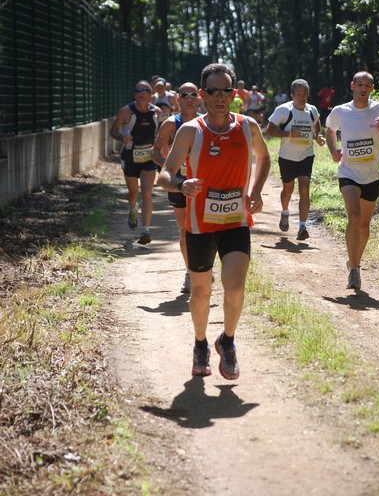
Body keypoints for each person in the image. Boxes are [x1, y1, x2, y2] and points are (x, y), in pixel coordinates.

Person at [158, 63, 270, 380]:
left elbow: (264, 157)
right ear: (203, 95)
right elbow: (165, 174)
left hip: (236, 222)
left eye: (225, 90)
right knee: (201, 291)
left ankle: (228, 341)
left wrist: (256, 191)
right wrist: (181, 185)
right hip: (199, 226)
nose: (219, 97)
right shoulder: (190, 130)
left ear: (234, 94)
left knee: (234, 287)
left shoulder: (248, 127)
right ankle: (200, 343)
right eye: (212, 91)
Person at [325, 71, 379, 289]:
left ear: (372, 88)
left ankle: (355, 260)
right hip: (348, 172)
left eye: (367, 85)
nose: (363, 89)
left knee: (364, 226)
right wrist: (333, 150)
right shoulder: (341, 111)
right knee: (354, 216)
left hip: (372, 175)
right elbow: (330, 131)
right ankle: (355, 270)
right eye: (360, 84)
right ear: (352, 86)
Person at [151, 81, 200, 294]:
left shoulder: (207, 123)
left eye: (193, 94)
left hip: (204, 184)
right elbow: (154, 151)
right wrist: (169, 169)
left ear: (199, 98)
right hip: (179, 185)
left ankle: (203, 268)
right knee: (185, 230)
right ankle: (190, 273)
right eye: (184, 94)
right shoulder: (171, 124)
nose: (189, 98)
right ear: (177, 99)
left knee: (208, 229)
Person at [265, 78, 325, 240]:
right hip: (287, 157)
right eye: (298, 94)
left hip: (306, 155)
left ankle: (302, 226)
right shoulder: (283, 110)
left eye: (305, 94)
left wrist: (318, 136)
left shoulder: (311, 110)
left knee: (304, 188)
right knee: (288, 189)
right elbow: (269, 131)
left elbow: (316, 124)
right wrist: (289, 134)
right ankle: (285, 212)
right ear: (292, 95)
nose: (302, 97)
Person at [109, 80, 162, 244]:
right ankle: (133, 209)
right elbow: (113, 130)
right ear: (135, 93)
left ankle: (145, 231)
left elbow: (159, 132)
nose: (142, 92)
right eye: (138, 89)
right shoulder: (125, 111)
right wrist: (121, 137)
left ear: (150, 94)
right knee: (133, 193)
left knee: (146, 192)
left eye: (145, 90)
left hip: (148, 158)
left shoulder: (157, 112)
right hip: (130, 158)